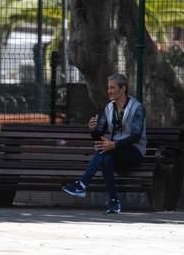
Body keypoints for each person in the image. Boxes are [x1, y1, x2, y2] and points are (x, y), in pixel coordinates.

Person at [62, 73, 147, 214]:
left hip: (134, 152)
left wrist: (114, 145)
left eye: (112, 88)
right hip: (114, 153)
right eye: (108, 88)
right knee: (106, 158)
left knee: (107, 152)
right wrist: (92, 129)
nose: (109, 91)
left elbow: (136, 136)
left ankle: (82, 184)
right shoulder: (108, 108)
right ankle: (113, 203)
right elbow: (98, 135)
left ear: (123, 89)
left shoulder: (137, 108)